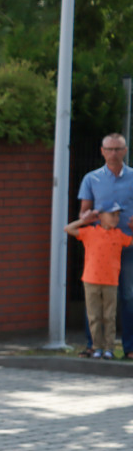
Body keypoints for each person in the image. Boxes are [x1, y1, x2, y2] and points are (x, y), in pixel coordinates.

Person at [76, 134, 133, 358]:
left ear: (125, 150)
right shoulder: (92, 179)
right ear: (102, 151)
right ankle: (94, 346)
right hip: (100, 249)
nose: (113, 153)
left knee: (128, 296)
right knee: (94, 297)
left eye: (117, 149)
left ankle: (128, 348)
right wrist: (87, 216)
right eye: (109, 149)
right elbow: (84, 213)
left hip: (127, 245)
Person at [65, 202, 132, 359]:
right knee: (94, 316)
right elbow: (68, 229)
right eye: (112, 214)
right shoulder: (90, 232)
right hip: (91, 280)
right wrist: (85, 220)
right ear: (100, 217)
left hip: (111, 282)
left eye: (117, 215)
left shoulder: (119, 235)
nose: (116, 218)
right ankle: (96, 347)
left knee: (109, 316)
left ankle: (109, 348)